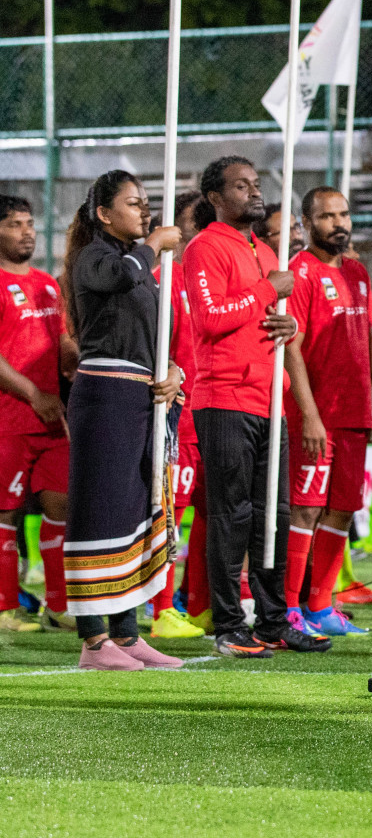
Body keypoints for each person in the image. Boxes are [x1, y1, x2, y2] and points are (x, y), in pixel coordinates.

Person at [183, 156, 330, 658]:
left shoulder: (266, 252)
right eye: (241, 186)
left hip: (270, 400)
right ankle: (228, 624)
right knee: (232, 513)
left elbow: (268, 318)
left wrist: (287, 326)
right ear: (216, 199)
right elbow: (211, 319)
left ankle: (273, 621)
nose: (253, 193)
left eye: (256, 184)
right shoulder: (204, 248)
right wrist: (270, 290)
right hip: (224, 397)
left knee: (275, 514)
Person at [59, 171, 184, 670]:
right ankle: (94, 642)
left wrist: (172, 371)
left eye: (147, 204)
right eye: (134, 204)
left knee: (136, 510)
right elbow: (120, 276)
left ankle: (128, 635)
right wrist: (153, 243)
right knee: (98, 510)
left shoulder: (142, 265)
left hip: (141, 397)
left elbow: (150, 337)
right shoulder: (96, 258)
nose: (145, 211)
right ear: (105, 214)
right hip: (104, 395)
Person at [283, 186, 372, 638]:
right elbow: (292, 350)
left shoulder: (359, 273)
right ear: (307, 224)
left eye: (344, 214)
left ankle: (322, 605)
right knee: (306, 510)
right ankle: (289, 607)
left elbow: (369, 343)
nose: (339, 223)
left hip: (354, 412)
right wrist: (309, 414)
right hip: (316, 414)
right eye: (328, 216)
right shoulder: (299, 272)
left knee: (343, 509)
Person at [0, 195, 78, 634]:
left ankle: (57, 605)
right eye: (14, 224)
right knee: (4, 512)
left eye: (29, 223)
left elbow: (59, 342)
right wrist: (32, 393)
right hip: (9, 420)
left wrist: (75, 358)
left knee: (61, 504)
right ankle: (4, 607)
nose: (27, 231)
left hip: (53, 420)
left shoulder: (48, 284)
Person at [147, 191, 209, 639]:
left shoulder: (212, 277)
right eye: (196, 220)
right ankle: (161, 607)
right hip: (179, 418)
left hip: (220, 410)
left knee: (214, 511)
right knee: (173, 508)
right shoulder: (163, 278)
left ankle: (201, 603)